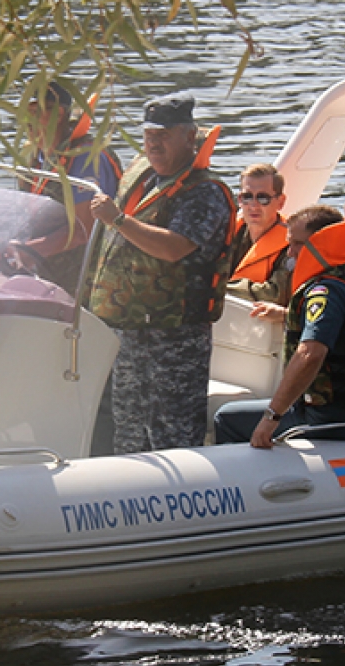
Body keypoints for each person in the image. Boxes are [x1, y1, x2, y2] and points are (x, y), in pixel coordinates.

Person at [85, 93, 236, 453]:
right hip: (130, 330)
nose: (153, 143)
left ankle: (184, 498)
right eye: (149, 135)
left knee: (173, 431)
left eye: (164, 135)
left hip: (175, 335)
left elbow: (174, 247)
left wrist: (118, 220)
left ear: (190, 137)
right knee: (129, 430)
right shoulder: (144, 175)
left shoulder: (205, 192)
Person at [214, 205, 345, 448]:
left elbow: (310, 354)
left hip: (337, 417)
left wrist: (272, 417)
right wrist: (285, 315)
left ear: (321, 243)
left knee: (226, 417)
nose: (289, 253)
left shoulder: (325, 292)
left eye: (296, 244)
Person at [7, 81, 122, 292]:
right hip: (46, 275)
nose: (27, 121)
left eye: (34, 112)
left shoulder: (85, 157)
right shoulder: (33, 159)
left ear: (59, 115)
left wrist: (28, 251)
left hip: (86, 283)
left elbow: (83, 230)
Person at [227, 163, 291, 307]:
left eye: (263, 198)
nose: (253, 205)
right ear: (239, 200)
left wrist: (220, 289)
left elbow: (276, 294)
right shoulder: (228, 233)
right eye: (247, 197)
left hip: (265, 325)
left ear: (280, 202)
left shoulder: (293, 244)